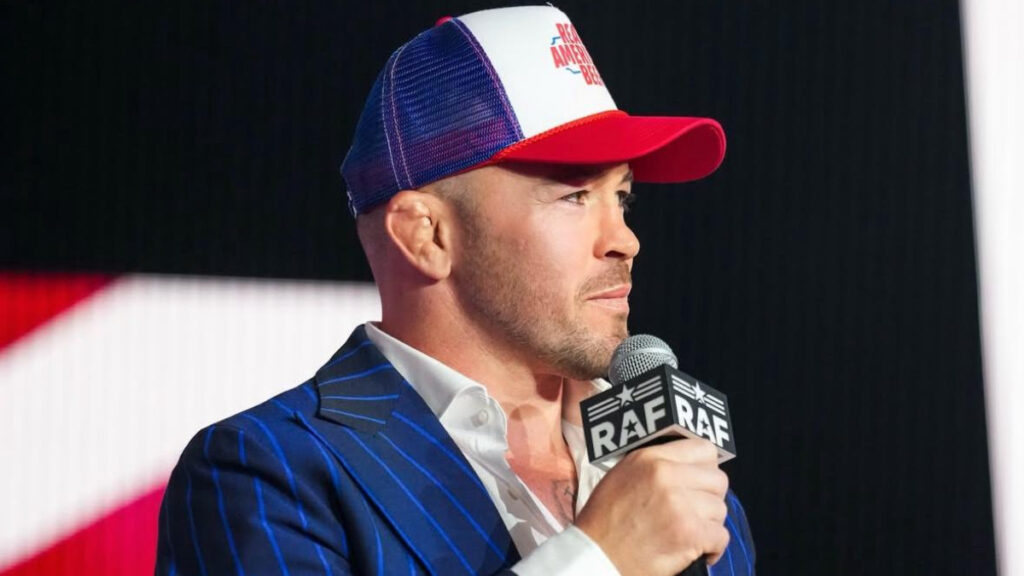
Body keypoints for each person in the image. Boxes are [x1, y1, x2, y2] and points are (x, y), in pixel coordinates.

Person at [155, 6, 756, 575]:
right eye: (574, 195)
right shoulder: (267, 472)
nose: (625, 240)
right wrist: (601, 557)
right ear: (426, 234)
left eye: (622, 196)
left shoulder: (681, 484)